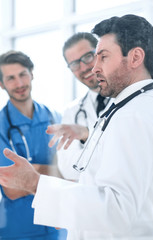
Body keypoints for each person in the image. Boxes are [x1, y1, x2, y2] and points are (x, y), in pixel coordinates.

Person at [0, 14, 153, 240]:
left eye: (101, 57)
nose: (93, 68)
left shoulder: (135, 115)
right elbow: (83, 177)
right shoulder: (123, 110)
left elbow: (117, 209)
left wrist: (33, 181)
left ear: (135, 57)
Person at [0, 50, 67, 239]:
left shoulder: (54, 118)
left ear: (32, 74)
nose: (19, 84)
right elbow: (11, 189)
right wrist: (53, 172)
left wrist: (29, 172)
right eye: (11, 78)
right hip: (19, 229)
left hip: (58, 225)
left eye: (22, 74)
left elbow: (69, 174)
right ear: (1, 84)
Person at [47, 32, 111, 180]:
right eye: (75, 64)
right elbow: (68, 170)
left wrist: (87, 135)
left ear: (101, 54)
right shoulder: (72, 111)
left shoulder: (129, 102)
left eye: (88, 57)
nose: (83, 68)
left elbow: (126, 158)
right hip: (91, 200)